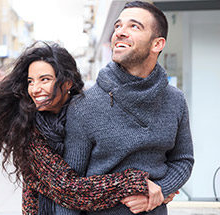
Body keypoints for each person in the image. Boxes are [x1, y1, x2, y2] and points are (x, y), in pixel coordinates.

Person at [0, 41, 168, 215]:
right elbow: (69, 189)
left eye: (45, 79)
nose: (35, 89)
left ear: (67, 83)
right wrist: (135, 182)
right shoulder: (29, 131)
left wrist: (162, 187)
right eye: (30, 81)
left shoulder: (87, 114)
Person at [55, 1, 194, 215]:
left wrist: (157, 193)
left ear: (157, 44)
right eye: (118, 26)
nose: (120, 32)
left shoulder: (175, 100)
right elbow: (69, 191)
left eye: (134, 26)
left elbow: (183, 160)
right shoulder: (84, 105)